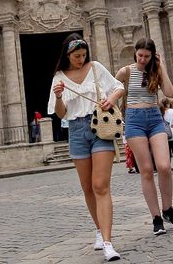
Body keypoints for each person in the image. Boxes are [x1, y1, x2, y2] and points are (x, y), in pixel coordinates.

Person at [48, 33, 124, 261]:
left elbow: (118, 86)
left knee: (100, 185)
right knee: (88, 188)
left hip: (99, 127)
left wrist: (111, 100)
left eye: (83, 55)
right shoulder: (59, 77)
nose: (81, 59)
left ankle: (109, 242)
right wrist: (59, 96)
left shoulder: (96, 67)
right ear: (67, 55)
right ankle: (99, 230)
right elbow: (61, 113)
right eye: (77, 56)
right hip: (76, 131)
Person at [115, 38, 173, 236]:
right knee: (146, 170)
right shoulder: (126, 71)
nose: (143, 59)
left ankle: (168, 209)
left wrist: (161, 67)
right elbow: (111, 90)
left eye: (147, 56)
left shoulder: (155, 70)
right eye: (140, 55)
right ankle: (156, 217)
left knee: (164, 166)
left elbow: (170, 92)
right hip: (134, 119)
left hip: (155, 117)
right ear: (135, 53)